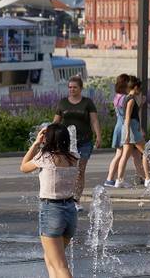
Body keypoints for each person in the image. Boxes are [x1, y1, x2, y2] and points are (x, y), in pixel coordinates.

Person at [20, 124, 79, 278]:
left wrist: (35, 143)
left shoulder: (45, 157)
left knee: (60, 266)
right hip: (70, 211)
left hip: (52, 211)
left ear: (48, 138)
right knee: (50, 258)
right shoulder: (74, 158)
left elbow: (23, 167)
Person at [53, 75, 101, 212]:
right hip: (66, 142)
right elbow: (56, 121)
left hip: (84, 141)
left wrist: (98, 135)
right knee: (66, 171)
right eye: (70, 87)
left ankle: (76, 199)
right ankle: (65, 198)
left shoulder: (87, 103)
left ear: (81, 88)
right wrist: (48, 133)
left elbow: (94, 121)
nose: (72, 90)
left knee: (80, 170)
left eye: (74, 87)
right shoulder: (63, 103)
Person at [104, 74, 145, 186]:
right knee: (125, 155)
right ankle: (118, 179)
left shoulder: (117, 97)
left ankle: (111, 179)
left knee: (121, 155)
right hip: (125, 127)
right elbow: (128, 115)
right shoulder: (126, 98)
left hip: (120, 126)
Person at [114, 76, 150, 188]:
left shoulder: (127, 98)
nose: (140, 90)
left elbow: (133, 114)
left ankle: (119, 180)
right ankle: (148, 179)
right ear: (135, 87)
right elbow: (127, 117)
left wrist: (140, 104)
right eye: (139, 88)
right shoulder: (131, 100)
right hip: (132, 130)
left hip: (130, 129)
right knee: (147, 153)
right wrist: (127, 134)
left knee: (125, 156)